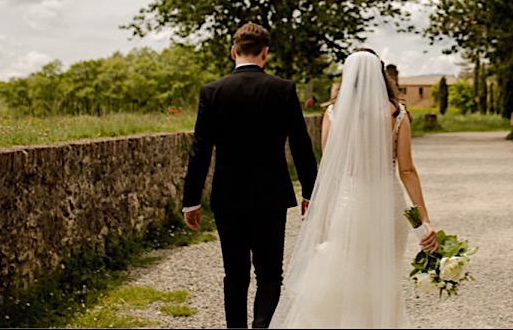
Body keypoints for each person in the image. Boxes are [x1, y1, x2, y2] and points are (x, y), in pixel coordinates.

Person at [269, 48, 438, 329]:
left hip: (349, 204)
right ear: (381, 76)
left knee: (345, 278)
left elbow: (330, 172)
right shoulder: (398, 114)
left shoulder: (333, 114)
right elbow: (407, 170)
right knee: (383, 280)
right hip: (388, 206)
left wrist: (320, 222)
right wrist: (425, 220)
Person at [181, 22, 318, 329]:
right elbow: (301, 146)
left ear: (234, 52)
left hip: (228, 196)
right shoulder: (283, 89)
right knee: (270, 273)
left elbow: (199, 150)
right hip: (272, 195)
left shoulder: (212, 92)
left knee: (236, 273)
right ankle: (261, 326)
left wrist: (191, 201)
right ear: (265, 54)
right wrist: (311, 191)